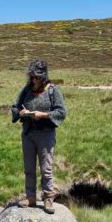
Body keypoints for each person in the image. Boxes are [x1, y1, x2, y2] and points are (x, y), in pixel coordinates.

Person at [11, 59, 67, 214]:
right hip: (28, 134)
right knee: (29, 169)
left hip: (45, 136)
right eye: (32, 76)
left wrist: (43, 115)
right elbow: (15, 107)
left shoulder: (53, 91)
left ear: (43, 76)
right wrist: (20, 113)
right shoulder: (26, 90)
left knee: (46, 169)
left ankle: (48, 198)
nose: (34, 80)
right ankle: (31, 197)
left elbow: (61, 112)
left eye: (37, 77)